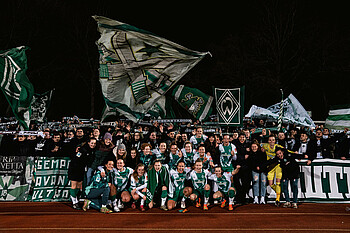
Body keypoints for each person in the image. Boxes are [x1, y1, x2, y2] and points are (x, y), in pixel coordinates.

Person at [68, 137, 97, 209]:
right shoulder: (82, 149)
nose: (93, 145)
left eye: (94, 143)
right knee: (74, 185)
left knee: (79, 186)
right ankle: (74, 202)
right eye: (92, 143)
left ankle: (76, 200)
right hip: (74, 169)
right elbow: (76, 159)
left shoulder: (91, 151)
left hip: (81, 169)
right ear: (88, 143)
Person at [261, 135, 284, 206]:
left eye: (273, 140)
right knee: (271, 184)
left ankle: (277, 199)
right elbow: (257, 145)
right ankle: (279, 193)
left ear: (275, 141)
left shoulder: (278, 146)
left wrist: (294, 153)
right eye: (270, 140)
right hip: (270, 167)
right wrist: (261, 148)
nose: (271, 141)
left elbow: (286, 150)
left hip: (277, 166)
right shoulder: (265, 145)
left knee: (278, 183)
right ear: (268, 141)